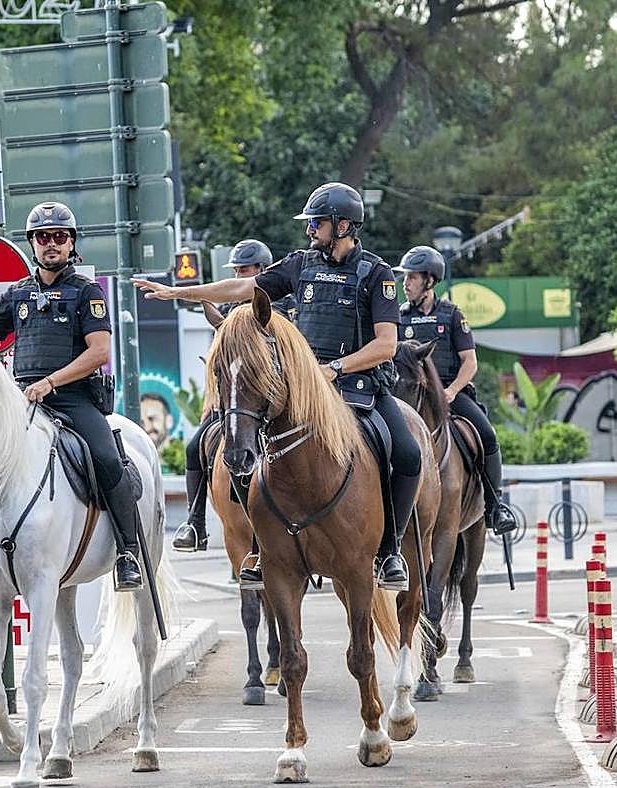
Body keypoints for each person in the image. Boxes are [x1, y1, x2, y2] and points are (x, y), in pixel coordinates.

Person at [136, 183, 417, 591]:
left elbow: (386, 345)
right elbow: (243, 289)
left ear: (342, 226)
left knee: (407, 453)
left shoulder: (376, 274)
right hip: (301, 390)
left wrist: (335, 368)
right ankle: (259, 546)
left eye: (317, 223)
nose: (310, 230)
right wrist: (181, 292)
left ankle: (390, 550)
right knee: (241, 444)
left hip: (358, 387)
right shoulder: (301, 264)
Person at [0, 201, 144, 594]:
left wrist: (50, 382)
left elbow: (99, 352)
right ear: (32, 243)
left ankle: (127, 553)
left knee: (108, 459)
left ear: (71, 243)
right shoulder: (17, 294)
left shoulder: (87, 293)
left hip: (72, 398)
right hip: (22, 402)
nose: (51, 244)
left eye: (59, 236)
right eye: (43, 237)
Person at [395, 245, 517, 535]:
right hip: (410, 395)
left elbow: (470, 362)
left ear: (430, 281)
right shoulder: (399, 317)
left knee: (487, 434)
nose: (405, 283)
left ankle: (495, 506)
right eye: (405, 277)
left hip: (451, 392)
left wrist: (451, 391)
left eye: (412, 277)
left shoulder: (452, 315)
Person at [170, 238, 277, 552]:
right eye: (237, 270)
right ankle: (195, 522)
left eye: (244, 270)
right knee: (195, 447)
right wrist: (211, 399)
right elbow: (217, 363)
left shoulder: (276, 308)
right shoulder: (228, 313)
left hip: (267, 403)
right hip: (231, 402)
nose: (239, 275)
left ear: (262, 270)